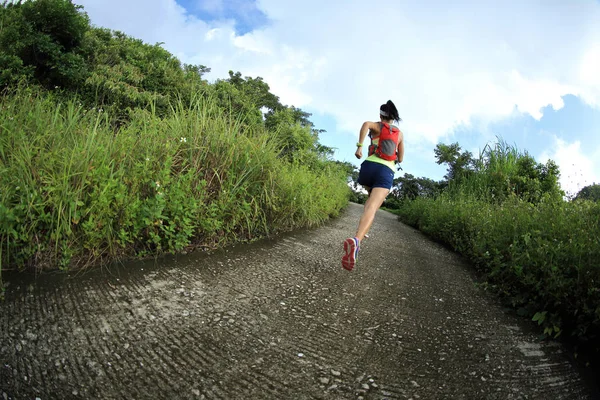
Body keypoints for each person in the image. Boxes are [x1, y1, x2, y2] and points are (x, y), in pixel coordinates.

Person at [342, 100, 404, 271]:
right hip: (386, 171)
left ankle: (364, 228)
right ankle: (357, 240)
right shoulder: (399, 134)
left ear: (381, 116)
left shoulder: (376, 126)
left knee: (370, 198)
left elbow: (365, 124)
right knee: (372, 207)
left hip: (368, 167)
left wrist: (360, 147)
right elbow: (401, 159)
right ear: (393, 118)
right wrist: (395, 153)